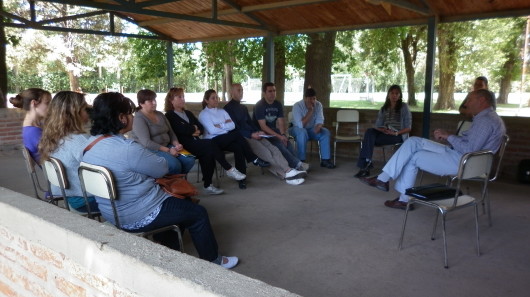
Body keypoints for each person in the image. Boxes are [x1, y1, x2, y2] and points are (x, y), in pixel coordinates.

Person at [83, 92, 238, 268]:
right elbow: (161, 168)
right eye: (129, 113)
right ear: (121, 118)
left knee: (184, 203)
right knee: (198, 213)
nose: (132, 116)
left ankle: (168, 251)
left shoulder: (89, 145)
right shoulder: (127, 149)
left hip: (110, 211)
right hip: (138, 212)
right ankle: (214, 260)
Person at [359, 89, 505, 210]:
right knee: (413, 142)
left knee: (413, 156)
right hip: (461, 156)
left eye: (470, 100)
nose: (466, 103)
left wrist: (448, 136)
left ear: (482, 100)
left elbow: (470, 149)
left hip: (463, 162)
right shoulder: (488, 118)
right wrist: (449, 137)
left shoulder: (486, 121)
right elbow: (470, 144)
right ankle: (385, 182)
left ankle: (393, 190)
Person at [164, 87, 246, 195]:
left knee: (208, 153)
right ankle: (229, 169)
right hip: (184, 146)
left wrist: (192, 129)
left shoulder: (188, 113)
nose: (183, 99)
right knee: (211, 144)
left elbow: (201, 128)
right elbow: (180, 130)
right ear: (171, 100)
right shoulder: (169, 115)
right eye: (179, 97)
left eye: (183, 96)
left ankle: (208, 185)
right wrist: (193, 129)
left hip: (196, 142)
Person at [224, 83, 307, 185]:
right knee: (266, 153)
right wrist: (251, 135)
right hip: (244, 137)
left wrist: (258, 131)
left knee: (274, 149)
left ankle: (289, 170)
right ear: (232, 92)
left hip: (254, 134)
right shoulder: (227, 109)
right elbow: (234, 128)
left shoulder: (243, 108)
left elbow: (250, 123)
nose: (241, 92)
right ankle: (287, 174)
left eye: (242, 90)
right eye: (238, 90)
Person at [38, 91, 99, 213]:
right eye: (85, 109)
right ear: (74, 113)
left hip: (69, 197)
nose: (88, 112)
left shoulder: (51, 137)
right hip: (86, 200)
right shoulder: (81, 141)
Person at [199, 89, 270, 189]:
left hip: (224, 138)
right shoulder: (204, 114)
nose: (216, 100)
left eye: (217, 97)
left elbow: (232, 125)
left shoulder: (222, 111)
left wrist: (220, 125)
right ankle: (253, 158)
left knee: (238, 147)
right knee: (237, 134)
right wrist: (225, 126)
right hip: (212, 141)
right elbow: (212, 130)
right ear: (206, 100)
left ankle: (241, 179)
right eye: (213, 98)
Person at [130, 89, 195, 175]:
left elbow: (171, 132)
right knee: (175, 165)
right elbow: (146, 143)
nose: (154, 103)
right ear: (141, 103)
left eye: (154, 100)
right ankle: (173, 182)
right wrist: (168, 150)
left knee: (189, 160)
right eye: (150, 101)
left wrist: (176, 144)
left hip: (168, 146)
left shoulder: (160, 114)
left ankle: (176, 181)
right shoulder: (139, 119)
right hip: (152, 150)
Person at [354, 85, 412, 178]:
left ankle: (365, 166)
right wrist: (382, 129)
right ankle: (366, 164)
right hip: (384, 133)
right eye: (392, 93)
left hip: (397, 135)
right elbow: (378, 125)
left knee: (368, 140)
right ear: (388, 94)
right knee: (369, 131)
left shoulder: (404, 107)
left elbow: (408, 128)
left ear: (400, 95)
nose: (394, 95)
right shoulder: (384, 108)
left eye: (397, 93)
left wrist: (395, 133)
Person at [253, 82, 309, 172]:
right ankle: (297, 164)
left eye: (274, 91)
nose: (272, 93)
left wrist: (283, 135)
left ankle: (297, 164)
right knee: (280, 145)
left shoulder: (277, 104)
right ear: (264, 93)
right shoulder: (259, 105)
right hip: (262, 133)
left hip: (273, 131)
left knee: (287, 143)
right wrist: (279, 137)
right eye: (270, 91)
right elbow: (263, 127)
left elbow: (281, 121)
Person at [289, 87, 335, 169]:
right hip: (296, 129)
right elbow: (300, 125)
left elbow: (320, 119)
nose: (312, 101)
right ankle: (301, 161)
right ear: (305, 98)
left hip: (310, 129)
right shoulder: (297, 106)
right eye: (310, 99)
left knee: (325, 132)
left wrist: (319, 126)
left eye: (314, 98)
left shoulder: (318, 104)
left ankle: (325, 160)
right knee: (302, 132)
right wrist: (310, 111)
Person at [10, 88, 51, 162]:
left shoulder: (35, 126)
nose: (51, 107)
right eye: (47, 103)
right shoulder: (33, 132)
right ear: (34, 103)